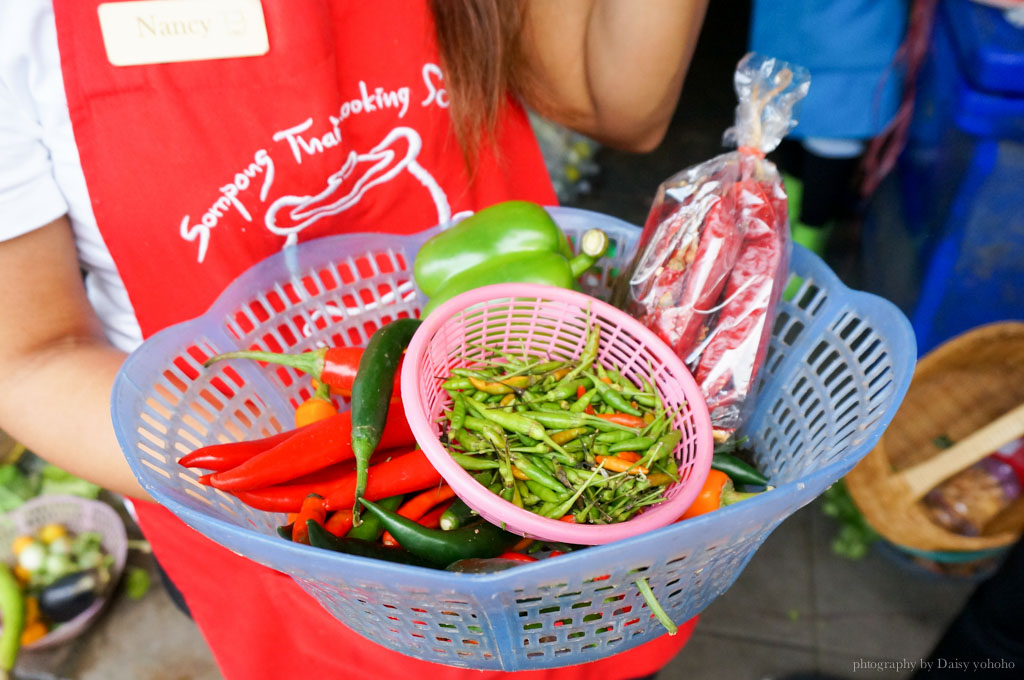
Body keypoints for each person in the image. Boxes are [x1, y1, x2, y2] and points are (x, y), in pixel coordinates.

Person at [0, 1, 709, 678]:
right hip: (267, 489)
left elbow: (615, 104)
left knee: (578, 628)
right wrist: (297, 481)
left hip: (536, 413)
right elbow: (28, 355)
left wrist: (463, 452)